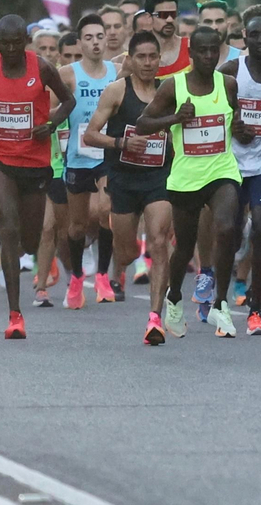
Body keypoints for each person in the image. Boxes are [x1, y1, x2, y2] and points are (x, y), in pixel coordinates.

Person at [137, 25, 253, 340]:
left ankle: (221, 302)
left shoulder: (227, 84)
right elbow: (142, 124)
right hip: (186, 177)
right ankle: (174, 297)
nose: (208, 56)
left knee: (228, 228)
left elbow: (236, 125)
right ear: (191, 54)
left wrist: (242, 131)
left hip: (222, 170)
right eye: (201, 51)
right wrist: (174, 118)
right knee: (185, 247)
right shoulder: (173, 87)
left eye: (213, 50)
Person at [0, 16, 74, 339]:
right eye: (4, 43)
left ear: (25, 40)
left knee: (29, 240)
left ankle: (28, 258)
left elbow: (69, 100)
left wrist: (52, 125)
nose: (11, 49)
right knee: (8, 227)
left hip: (36, 163)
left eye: (16, 43)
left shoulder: (41, 68)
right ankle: (15, 315)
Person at [86, 30, 176, 343]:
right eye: (142, 57)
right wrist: (121, 142)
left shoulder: (169, 92)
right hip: (123, 180)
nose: (148, 63)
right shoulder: (117, 91)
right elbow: (90, 134)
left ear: (160, 59)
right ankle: (123, 260)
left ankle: (155, 319)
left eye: (153, 56)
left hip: (158, 179)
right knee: (124, 254)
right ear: (131, 59)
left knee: (159, 241)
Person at [218, 7, 261, 336]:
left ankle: (255, 307)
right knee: (228, 231)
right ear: (244, 39)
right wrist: (233, 125)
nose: (259, 40)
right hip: (232, 161)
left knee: (260, 227)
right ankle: (221, 303)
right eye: (253, 34)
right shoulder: (232, 69)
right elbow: (210, 104)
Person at [57, 15, 118, 308]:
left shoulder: (116, 73)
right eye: (89, 38)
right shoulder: (68, 74)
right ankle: (78, 277)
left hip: (106, 153)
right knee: (78, 225)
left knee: (107, 211)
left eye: (99, 36)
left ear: (106, 39)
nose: (95, 42)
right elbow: (45, 102)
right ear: (80, 43)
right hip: (78, 156)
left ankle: (104, 275)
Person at [144, 0, 191, 76]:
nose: (169, 20)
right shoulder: (137, 53)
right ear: (149, 17)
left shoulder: (191, 49)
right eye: (163, 15)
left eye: (173, 14)